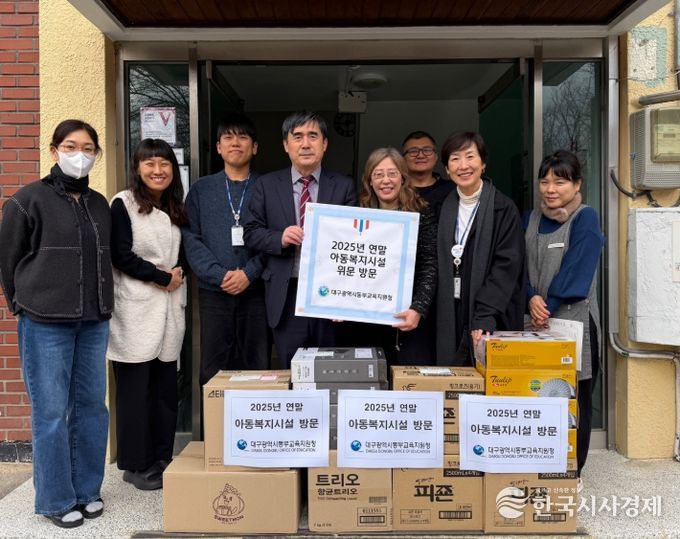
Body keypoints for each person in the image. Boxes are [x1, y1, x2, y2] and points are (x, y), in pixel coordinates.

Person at [0, 120, 112, 528]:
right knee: (51, 412)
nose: (79, 155)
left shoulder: (99, 204)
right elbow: (8, 260)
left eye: (88, 148)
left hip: (93, 320)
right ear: (53, 151)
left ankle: (87, 490)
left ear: (96, 154)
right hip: (45, 322)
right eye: (70, 146)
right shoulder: (27, 200)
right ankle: (55, 500)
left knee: (91, 408)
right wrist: (21, 305)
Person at [244, 111, 356, 367]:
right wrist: (280, 237)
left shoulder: (343, 186)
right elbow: (250, 232)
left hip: (330, 293)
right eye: (297, 137)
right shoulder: (266, 185)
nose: (305, 144)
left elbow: (354, 239)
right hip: (287, 293)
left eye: (313, 136)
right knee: (294, 370)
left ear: (324, 144)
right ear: (286, 145)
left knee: (330, 370)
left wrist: (344, 299)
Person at [107, 139, 187, 490]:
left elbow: (180, 255)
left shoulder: (174, 207)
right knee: (135, 394)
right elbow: (120, 254)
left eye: (164, 163)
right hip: (136, 313)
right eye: (150, 163)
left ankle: (161, 457)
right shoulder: (123, 203)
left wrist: (177, 274)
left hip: (169, 312)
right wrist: (161, 277)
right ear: (137, 168)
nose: (158, 170)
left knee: (164, 391)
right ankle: (136, 466)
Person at [524, 149, 604, 478]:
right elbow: (517, 265)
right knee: (536, 391)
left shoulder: (586, 218)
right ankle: (537, 465)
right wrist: (530, 297)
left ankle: (573, 470)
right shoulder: (529, 218)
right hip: (533, 321)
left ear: (577, 184)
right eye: (544, 182)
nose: (550, 189)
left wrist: (547, 303)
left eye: (560, 182)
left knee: (574, 398)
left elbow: (578, 269)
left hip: (574, 324)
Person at [183, 113, 269, 386]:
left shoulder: (268, 187)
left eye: (243, 137)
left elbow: (275, 239)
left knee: (257, 365)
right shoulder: (201, 189)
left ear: (255, 147)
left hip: (257, 292)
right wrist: (219, 275)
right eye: (228, 137)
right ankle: (214, 417)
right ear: (219, 147)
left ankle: (254, 415)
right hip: (214, 292)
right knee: (213, 367)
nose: (235, 143)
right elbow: (190, 238)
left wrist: (249, 273)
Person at [436, 131, 525, 365]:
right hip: (450, 313)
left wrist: (485, 314)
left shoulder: (503, 208)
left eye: (470, 157)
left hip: (490, 315)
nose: (463, 166)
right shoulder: (441, 208)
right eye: (455, 159)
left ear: (483, 163)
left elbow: (506, 267)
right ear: (446, 169)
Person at [354, 147, 437, 365]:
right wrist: (339, 304)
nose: (386, 181)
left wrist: (418, 308)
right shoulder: (357, 215)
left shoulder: (421, 212)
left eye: (392, 173)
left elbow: (429, 264)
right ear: (369, 181)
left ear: (403, 177)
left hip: (409, 319)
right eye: (378, 174)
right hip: (366, 320)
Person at [402, 130, 454, 216]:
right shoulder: (396, 191)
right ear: (403, 159)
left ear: (436, 157)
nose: (421, 155)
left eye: (427, 150)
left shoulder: (452, 190)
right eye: (413, 151)